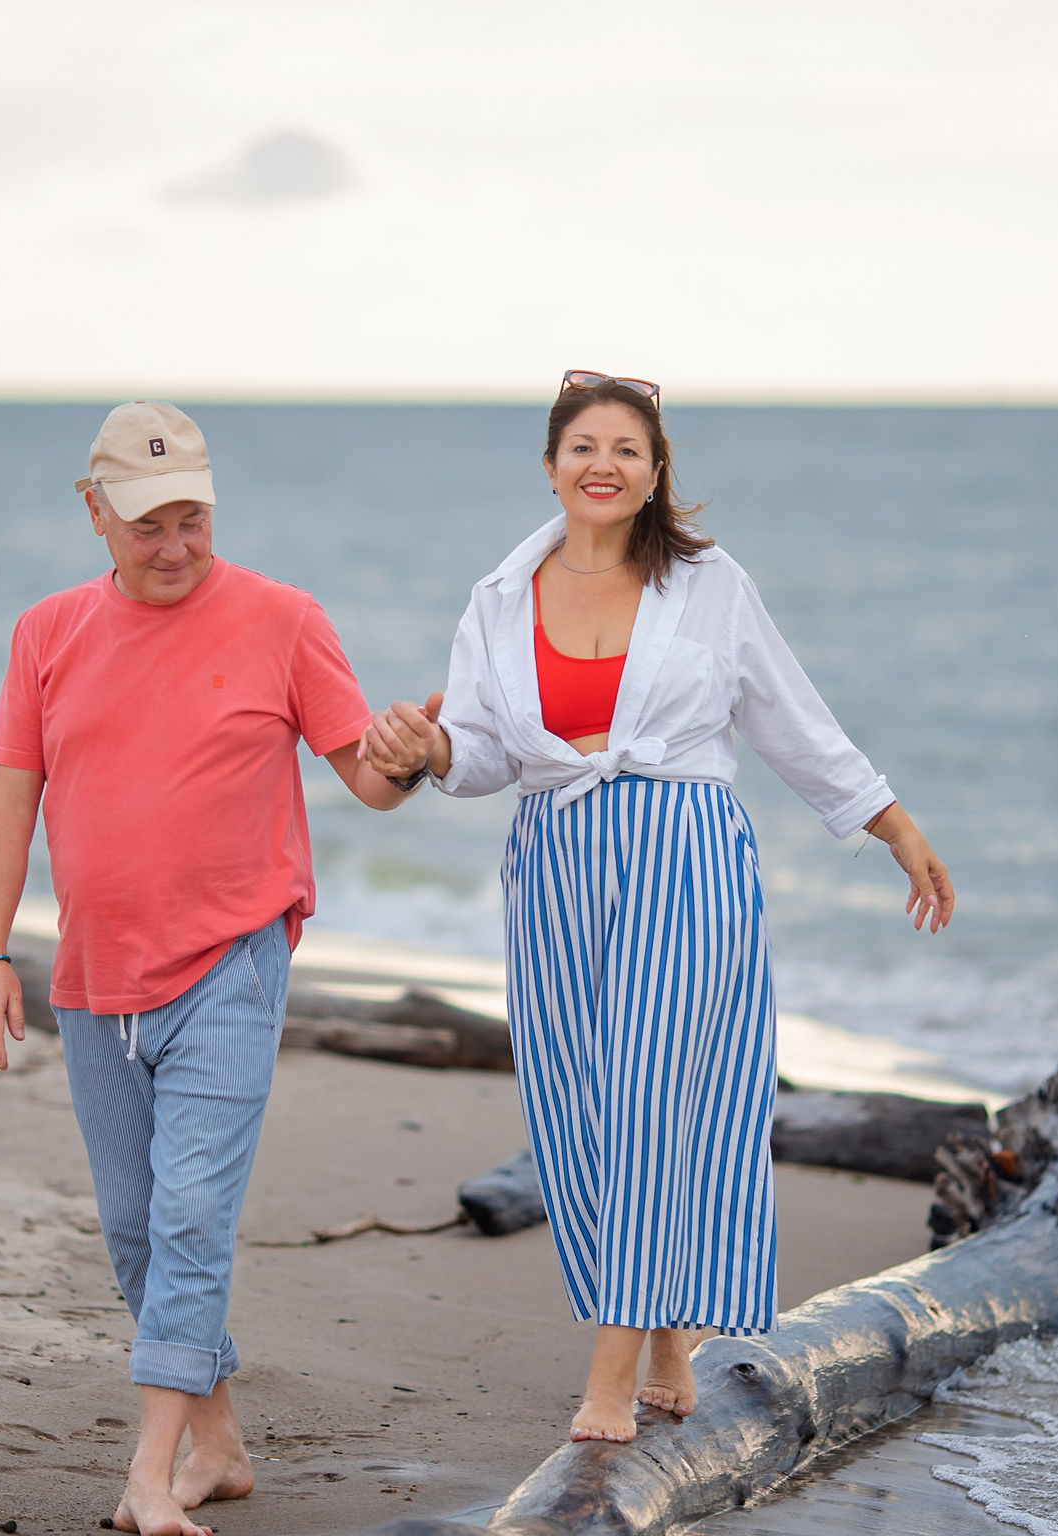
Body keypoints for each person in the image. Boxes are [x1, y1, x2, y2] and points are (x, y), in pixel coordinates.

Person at [362, 371, 954, 1444]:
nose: (604, 464)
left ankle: (609, 1366)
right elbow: (486, 748)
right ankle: (667, 1328)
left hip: (682, 851)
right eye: (584, 446)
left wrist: (894, 827)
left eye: (627, 450)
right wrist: (433, 749)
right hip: (551, 860)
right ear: (551, 467)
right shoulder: (498, 599)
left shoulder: (709, 585)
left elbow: (790, 719)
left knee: (648, 1101)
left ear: (653, 473)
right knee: (574, 1108)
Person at [0, 401, 421, 1536]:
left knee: (192, 1220)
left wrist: (417, 758)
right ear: (94, 514)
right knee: (134, 1232)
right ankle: (217, 1444)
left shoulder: (283, 619)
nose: (175, 546)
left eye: (194, 520)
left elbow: (363, 775)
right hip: (91, 981)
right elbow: (9, 799)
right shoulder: (46, 634)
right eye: (148, 524)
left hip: (232, 964)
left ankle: (148, 1471)